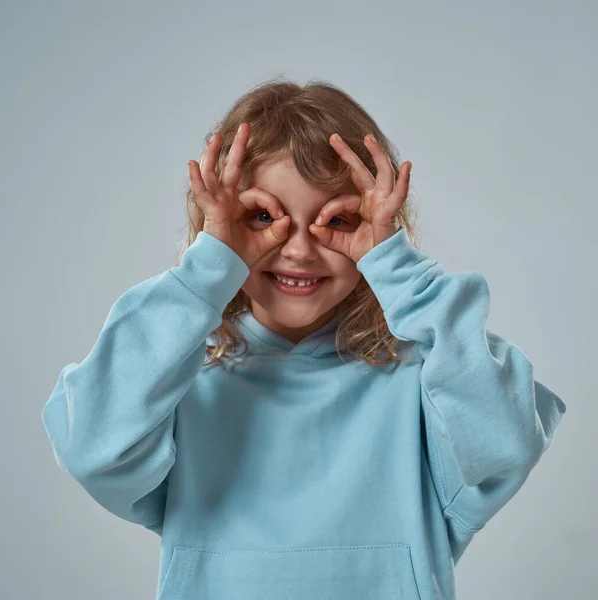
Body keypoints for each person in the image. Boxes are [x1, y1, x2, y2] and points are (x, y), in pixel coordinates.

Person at [41, 79, 567, 600]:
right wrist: (206, 272)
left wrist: (402, 274)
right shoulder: (177, 378)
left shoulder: (429, 378)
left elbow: (505, 442)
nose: (298, 250)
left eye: (336, 219)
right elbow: (91, 447)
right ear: (218, 224)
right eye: (262, 217)